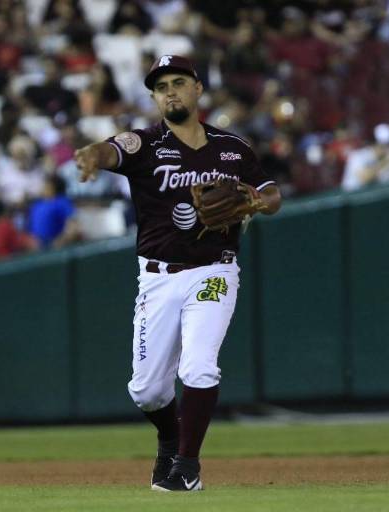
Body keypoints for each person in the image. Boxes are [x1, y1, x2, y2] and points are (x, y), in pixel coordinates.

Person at [73, 55, 281, 492]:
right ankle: (170, 439)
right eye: (162, 85)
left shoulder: (232, 148)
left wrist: (261, 203)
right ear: (153, 96)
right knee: (146, 391)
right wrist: (93, 154)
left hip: (214, 271)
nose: (171, 90)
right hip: (158, 277)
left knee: (199, 367)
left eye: (179, 82)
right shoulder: (145, 144)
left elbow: (270, 191)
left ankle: (187, 468)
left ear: (198, 89)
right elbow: (111, 150)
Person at [341, 123, 389, 191]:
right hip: (351, 199)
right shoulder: (357, 156)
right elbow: (365, 178)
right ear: (374, 144)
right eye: (384, 145)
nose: (388, 148)